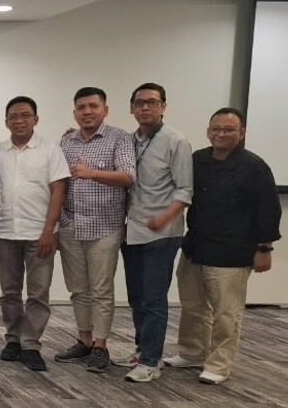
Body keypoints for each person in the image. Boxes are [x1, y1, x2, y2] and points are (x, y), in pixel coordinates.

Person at [164, 107, 281, 385]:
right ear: (208, 131)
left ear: (242, 133)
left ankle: (218, 364)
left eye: (229, 129)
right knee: (192, 305)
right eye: (216, 129)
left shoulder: (254, 167)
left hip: (233, 251)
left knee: (226, 313)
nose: (221, 134)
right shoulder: (198, 159)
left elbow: (269, 210)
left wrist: (264, 249)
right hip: (195, 247)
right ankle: (192, 352)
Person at [115, 83, 193, 382]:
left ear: (163, 106)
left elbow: (185, 189)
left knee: (154, 299)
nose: (145, 107)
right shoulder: (129, 140)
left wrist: (165, 217)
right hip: (132, 230)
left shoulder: (176, 140)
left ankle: (151, 360)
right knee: (136, 296)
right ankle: (141, 350)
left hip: (163, 232)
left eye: (152, 102)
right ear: (132, 108)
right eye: (139, 103)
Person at [55, 87, 135, 373]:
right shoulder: (66, 141)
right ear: (74, 112)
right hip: (71, 225)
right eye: (81, 107)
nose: (87, 112)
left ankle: (101, 346)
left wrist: (92, 173)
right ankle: (84, 340)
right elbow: (58, 181)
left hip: (105, 227)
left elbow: (128, 176)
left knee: (101, 289)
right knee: (78, 289)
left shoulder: (120, 138)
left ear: (105, 110)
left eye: (93, 106)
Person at [0, 96, 69, 372]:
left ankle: (31, 344)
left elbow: (58, 191)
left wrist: (49, 230)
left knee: (38, 293)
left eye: (25, 115)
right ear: (6, 121)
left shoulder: (50, 150)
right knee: (9, 292)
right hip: (5, 232)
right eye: (13, 116)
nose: (19, 121)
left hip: (40, 234)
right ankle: (13, 339)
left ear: (36, 119)